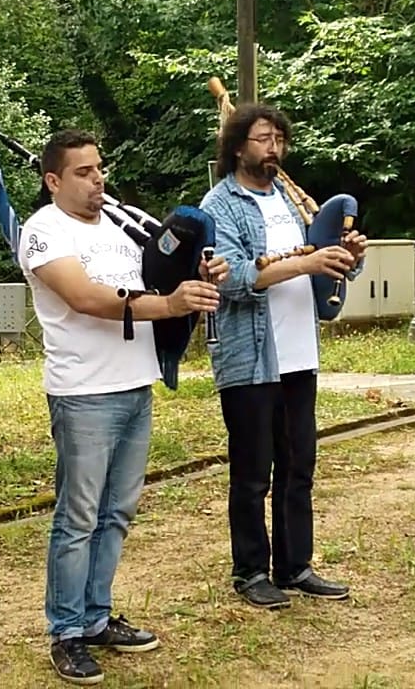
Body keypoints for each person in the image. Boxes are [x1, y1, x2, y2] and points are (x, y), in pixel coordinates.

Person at [18, 129, 226, 685]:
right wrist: (169, 304)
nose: (98, 180)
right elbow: (85, 298)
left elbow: (160, 272)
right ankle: (65, 631)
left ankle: (95, 616)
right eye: (84, 172)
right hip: (83, 391)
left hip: (135, 382)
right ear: (53, 181)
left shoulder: (119, 221)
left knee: (117, 513)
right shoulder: (42, 231)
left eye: (100, 168)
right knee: (79, 517)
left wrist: (198, 278)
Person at [199, 103, 367, 610]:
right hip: (249, 357)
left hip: (299, 353)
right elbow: (237, 280)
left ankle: (295, 566)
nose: (274, 148)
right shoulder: (219, 206)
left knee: (299, 465)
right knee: (253, 471)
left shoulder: (294, 203)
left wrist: (346, 259)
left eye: (279, 139)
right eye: (263, 139)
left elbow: (325, 268)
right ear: (236, 147)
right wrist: (308, 261)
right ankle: (250, 571)